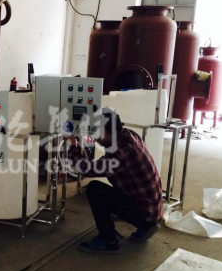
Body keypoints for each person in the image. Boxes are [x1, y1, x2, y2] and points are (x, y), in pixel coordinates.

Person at [68, 108, 163, 255]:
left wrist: (72, 145)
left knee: (95, 189)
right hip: (150, 207)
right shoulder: (128, 135)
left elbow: (86, 169)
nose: (94, 137)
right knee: (110, 189)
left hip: (145, 212)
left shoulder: (121, 152)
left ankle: (109, 241)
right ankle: (145, 226)